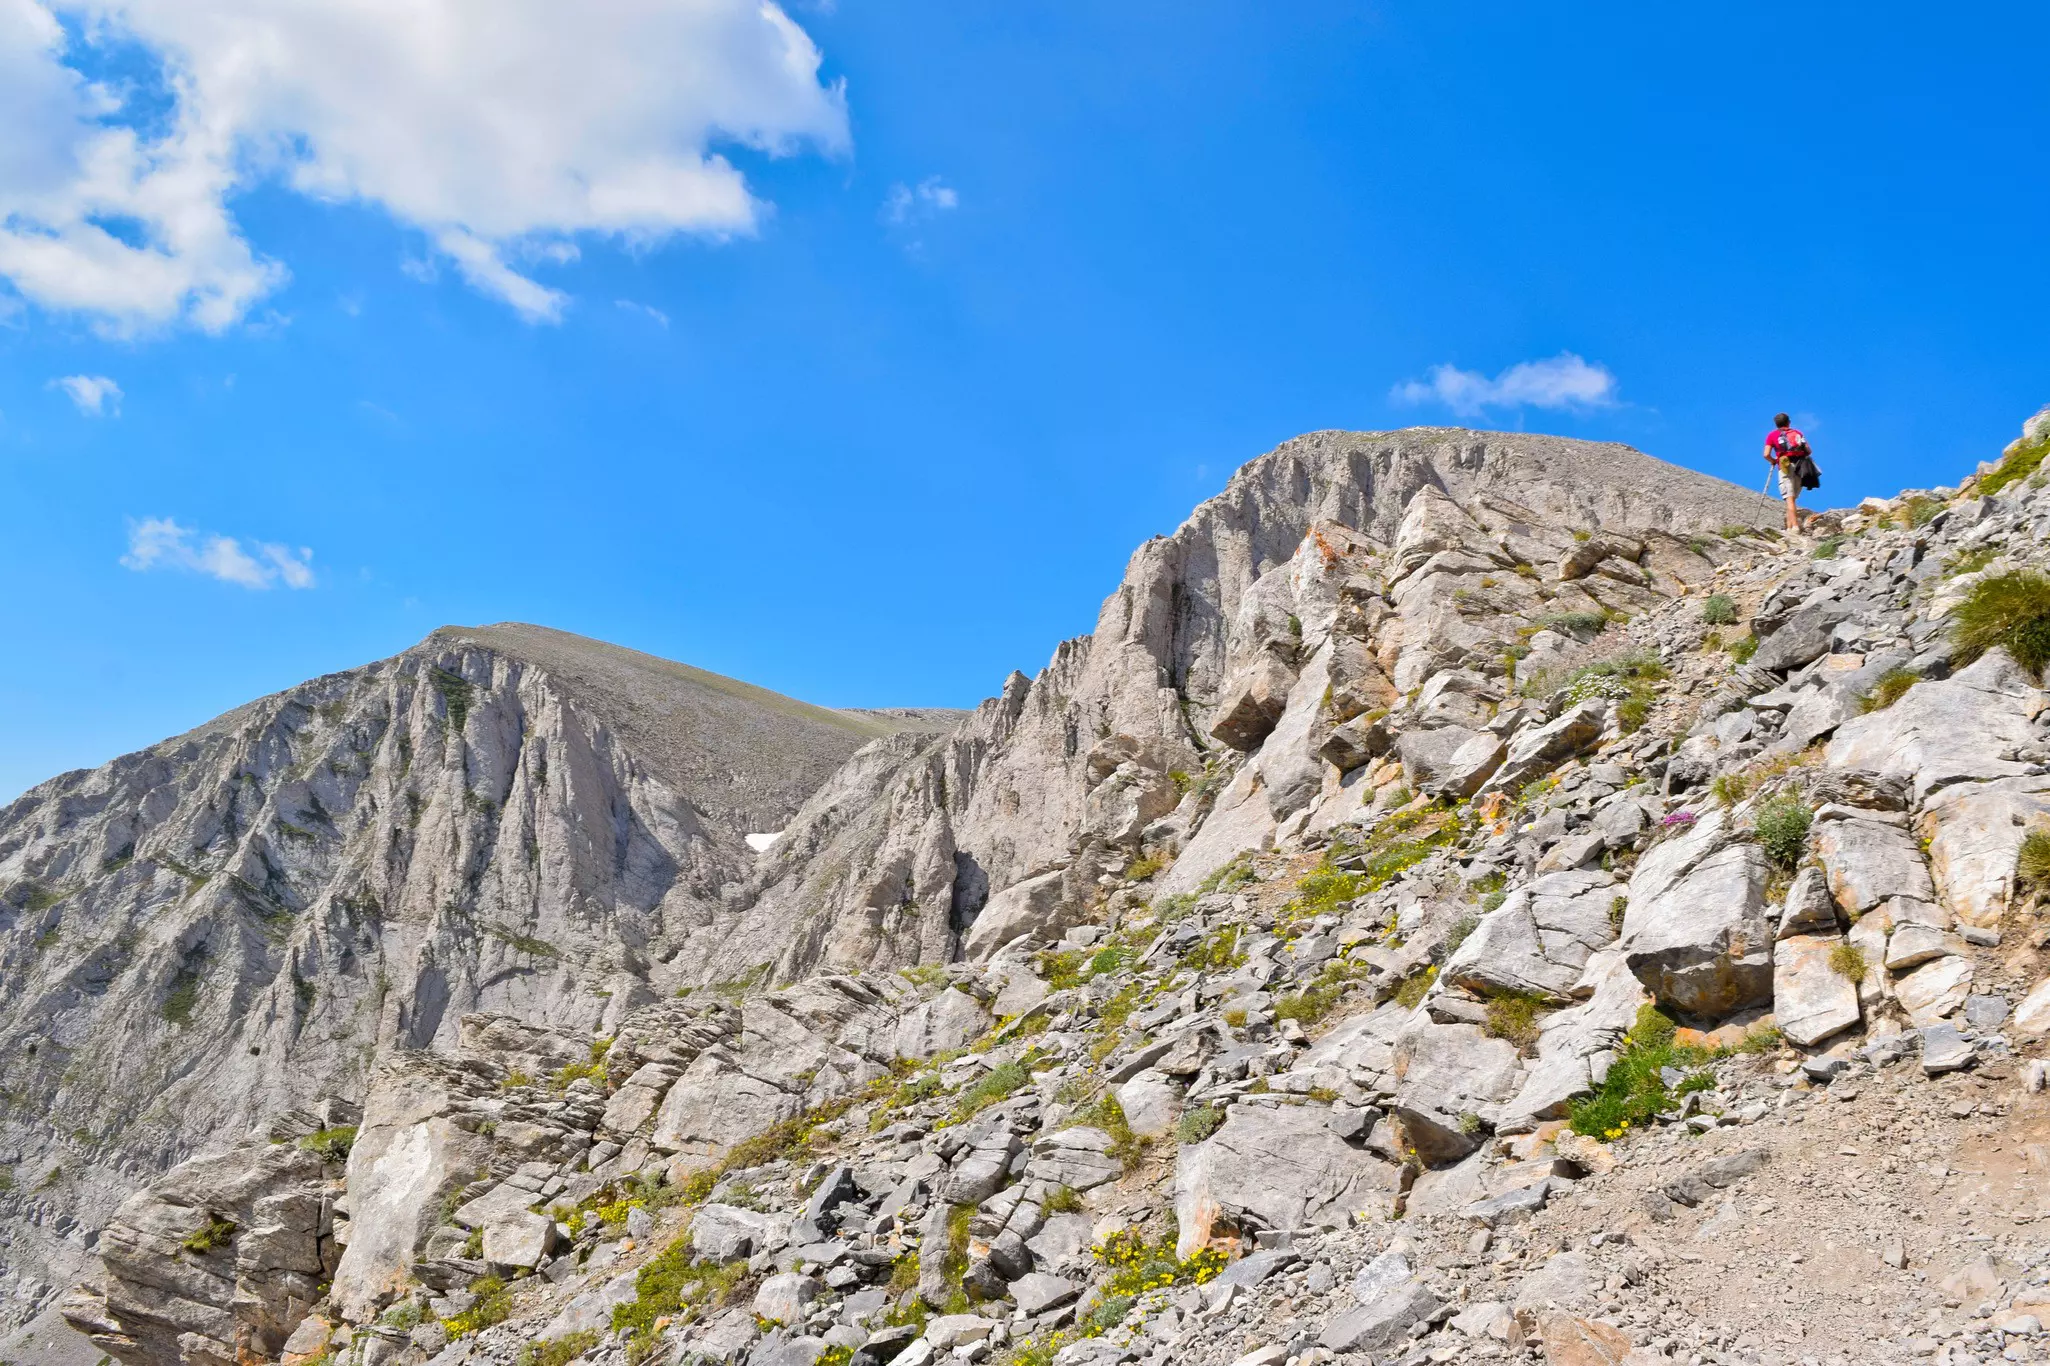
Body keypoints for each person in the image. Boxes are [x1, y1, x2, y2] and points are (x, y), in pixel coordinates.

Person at [1763, 413, 1817, 533]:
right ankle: (1789, 527)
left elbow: (1766, 454)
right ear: (1789, 422)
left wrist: (1774, 461)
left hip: (1785, 466)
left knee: (1789, 498)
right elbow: (1808, 450)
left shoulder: (1772, 435)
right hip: (1801, 466)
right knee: (1792, 498)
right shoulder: (1797, 433)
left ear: (1776, 424)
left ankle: (1794, 528)